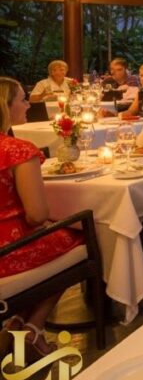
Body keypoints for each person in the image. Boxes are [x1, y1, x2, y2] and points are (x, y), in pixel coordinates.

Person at [0, 77, 84, 358]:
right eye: (23, 99)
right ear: (5, 107)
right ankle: (33, 327)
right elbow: (36, 215)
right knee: (80, 235)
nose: (28, 105)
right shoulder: (17, 150)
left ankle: (18, 322)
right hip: (8, 251)